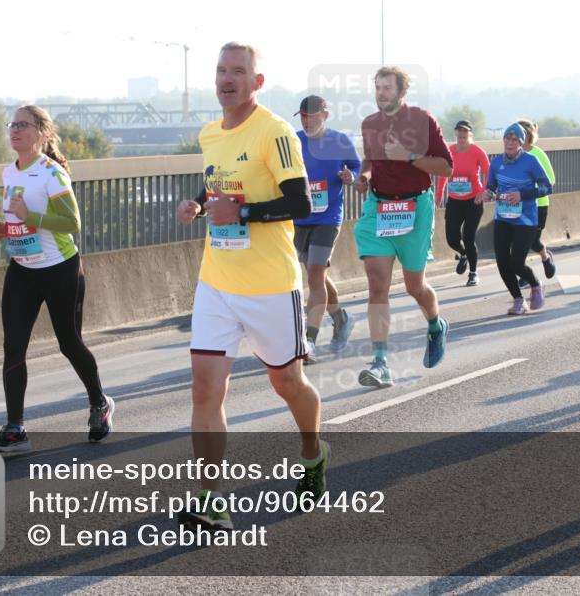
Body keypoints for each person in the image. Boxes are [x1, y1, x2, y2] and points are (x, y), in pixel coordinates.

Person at [175, 42, 326, 529]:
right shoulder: (209, 133)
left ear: (256, 82)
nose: (227, 79)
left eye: (238, 71)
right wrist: (198, 205)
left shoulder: (275, 131)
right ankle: (211, 498)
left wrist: (241, 213)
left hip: (270, 286)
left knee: (287, 383)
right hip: (217, 281)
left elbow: (301, 204)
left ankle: (313, 454)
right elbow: (217, 184)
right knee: (205, 389)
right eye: (221, 70)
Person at [0, 105, 113, 453]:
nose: (15, 130)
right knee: (13, 346)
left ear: (42, 133)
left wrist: (31, 216)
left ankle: (99, 403)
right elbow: (22, 220)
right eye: (12, 125)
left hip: (60, 269)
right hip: (22, 269)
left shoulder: (52, 173)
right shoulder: (8, 172)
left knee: (69, 343)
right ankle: (15, 428)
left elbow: (72, 224)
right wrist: (4, 228)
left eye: (23, 125)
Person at [354, 66, 453, 388]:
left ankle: (435, 325)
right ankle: (380, 362)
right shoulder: (369, 124)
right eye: (377, 87)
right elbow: (370, 160)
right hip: (379, 207)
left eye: (387, 87)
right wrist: (363, 177)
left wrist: (408, 156)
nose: (381, 93)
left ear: (401, 92)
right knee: (376, 282)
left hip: (415, 207)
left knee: (414, 286)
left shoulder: (422, 120)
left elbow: (446, 168)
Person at [292, 95, 360, 363]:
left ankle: (308, 340)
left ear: (325, 115)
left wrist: (350, 176)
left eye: (312, 116)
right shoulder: (294, 140)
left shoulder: (339, 141)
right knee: (316, 275)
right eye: (303, 116)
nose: (307, 121)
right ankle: (341, 319)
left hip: (328, 217)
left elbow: (356, 166)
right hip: (300, 218)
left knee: (314, 275)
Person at [475, 123, 552, 315]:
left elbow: (547, 187)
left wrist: (522, 195)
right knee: (502, 262)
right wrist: (486, 194)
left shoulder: (531, 161)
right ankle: (519, 300)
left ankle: (536, 284)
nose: (510, 143)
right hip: (503, 218)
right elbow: (491, 186)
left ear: (521, 142)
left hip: (526, 220)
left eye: (514, 140)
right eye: (507, 139)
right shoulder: (496, 163)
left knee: (516, 263)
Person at [435, 120, 490, 287]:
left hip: (474, 201)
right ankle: (464, 253)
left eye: (465, 134)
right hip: (454, 201)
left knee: (468, 237)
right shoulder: (450, 151)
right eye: (459, 134)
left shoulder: (477, 152)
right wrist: (439, 194)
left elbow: (489, 174)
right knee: (452, 238)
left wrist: (483, 192)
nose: (461, 137)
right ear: (456, 134)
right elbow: (444, 173)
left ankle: (473, 273)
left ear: (470, 135)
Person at [519, 120, 557, 281]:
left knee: (533, 241)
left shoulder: (538, 154)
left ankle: (545, 257)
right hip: (518, 205)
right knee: (519, 240)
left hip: (539, 205)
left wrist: (530, 191)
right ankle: (524, 273)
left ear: (527, 135)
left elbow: (551, 180)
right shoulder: (512, 154)